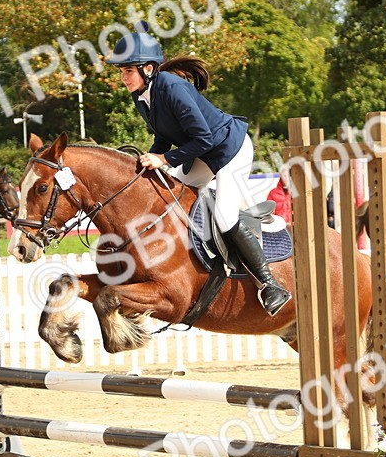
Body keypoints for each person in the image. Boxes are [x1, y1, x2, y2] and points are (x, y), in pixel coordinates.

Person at [107, 26, 291, 316]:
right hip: (202, 152)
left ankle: (270, 284)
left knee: (224, 215)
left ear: (148, 68)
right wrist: (153, 155)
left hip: (230, 149)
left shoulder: (171, 86)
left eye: (127, 70)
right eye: (121, 71)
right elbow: (164, 133)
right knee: (170, 197)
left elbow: (204, 137)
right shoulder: (141, 94)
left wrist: (164, 158)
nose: (122, 77)